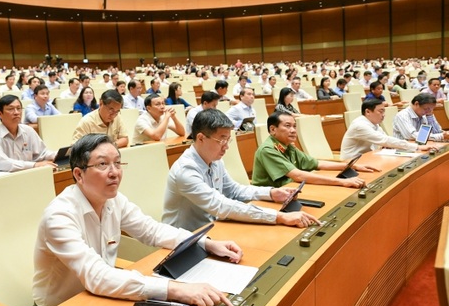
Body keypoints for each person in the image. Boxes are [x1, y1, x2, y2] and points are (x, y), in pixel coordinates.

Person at [31, 133, 243, 306]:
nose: (114, 172)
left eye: (117, 162)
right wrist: (177, 290)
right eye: (103, 164)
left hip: (101, 297)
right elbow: (96, 276)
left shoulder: (114, 199)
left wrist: (205, 243)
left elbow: (151, 230)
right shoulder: (59, 216)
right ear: (79, 174)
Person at [163, 109, 319, 231]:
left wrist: (270, 193)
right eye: (222, 139)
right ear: (201, 138)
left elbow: (233, 191)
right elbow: (221, 205)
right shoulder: (186, 170)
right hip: (184, 240)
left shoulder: (215, 161)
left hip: (213, 229)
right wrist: (279, 217)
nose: (227, 146)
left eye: (228, 139)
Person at [251, 112, 379, 188]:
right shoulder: (268, 150)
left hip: (289, 190)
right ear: (273, 129)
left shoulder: (287, 145)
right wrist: (341, 182)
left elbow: (317, 163)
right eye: (287, 126)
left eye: (294, 126)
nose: (293, 130)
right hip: (267, 198)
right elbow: (298, 175)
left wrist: (351, 166)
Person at [0, 95, 57, 172]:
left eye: (18, 108)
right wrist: (35, 165)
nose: (16, 112)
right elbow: (1, 163)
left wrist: (60, 155)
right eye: (11, 109)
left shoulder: (28, 130)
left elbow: (42, 153)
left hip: (25, 175)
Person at [340, 99, 430, 159]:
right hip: (352, 162)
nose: (384, 115)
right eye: (380, 111)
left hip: (368, 157)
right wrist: (417, 147)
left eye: (384, 111)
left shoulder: (374, 124)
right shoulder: (360, 125)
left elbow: (385, 140)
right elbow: (385, 140)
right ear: (368, 112)